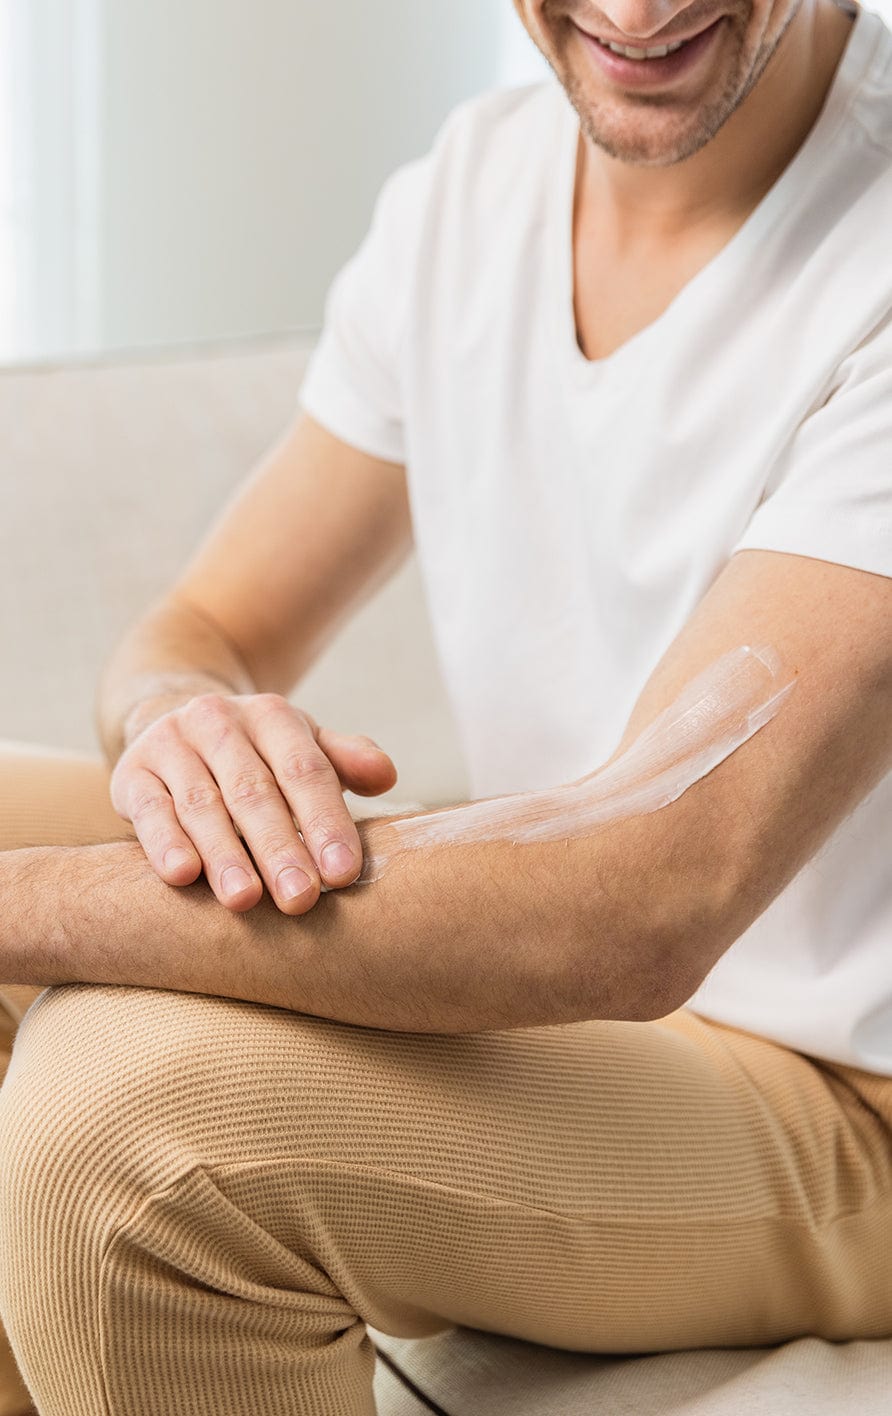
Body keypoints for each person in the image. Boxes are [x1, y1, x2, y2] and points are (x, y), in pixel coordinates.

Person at [1, 0, 891, 1410]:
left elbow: (646, 898)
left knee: (125, 1120)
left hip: (839, 1096)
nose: (638, 12)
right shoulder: (475, 186)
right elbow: (210, 627)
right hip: (574, 965)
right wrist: (190, 721)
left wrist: (28, 906)